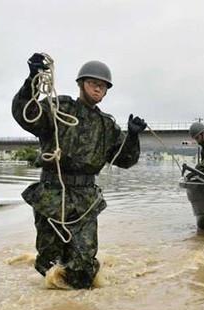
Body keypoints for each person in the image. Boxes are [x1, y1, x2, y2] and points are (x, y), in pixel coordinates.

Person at [12, 52, 147, 289]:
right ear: (81, 84)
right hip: (52, 195)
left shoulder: (107, 125)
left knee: (83, 267)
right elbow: (27, 114)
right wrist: (33, 78)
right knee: (50, 263)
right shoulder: (60, 107)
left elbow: (125, 160)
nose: (98, 89)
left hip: (85, 199)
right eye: (94, 83)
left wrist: (133, 136)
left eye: (103, 86)